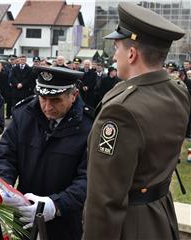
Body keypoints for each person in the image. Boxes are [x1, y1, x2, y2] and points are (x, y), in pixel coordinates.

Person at [83, 3, 190, 240]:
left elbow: (105, 202)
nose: (114, 55)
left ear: (132, 54)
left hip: (130, 227)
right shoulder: (177, 91)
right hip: (160, 215)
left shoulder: (120, 112)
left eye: (117, 48)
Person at [0, 66, 92, 240]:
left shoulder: (89, 127)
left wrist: (56, 205)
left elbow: (89, 178)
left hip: (67, 222)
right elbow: (6, 156)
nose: (47, 106)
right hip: (25, 217)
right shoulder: (25, 115)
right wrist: (4, 186)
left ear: (74, 95)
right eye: (43, 98)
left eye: (55, 100)